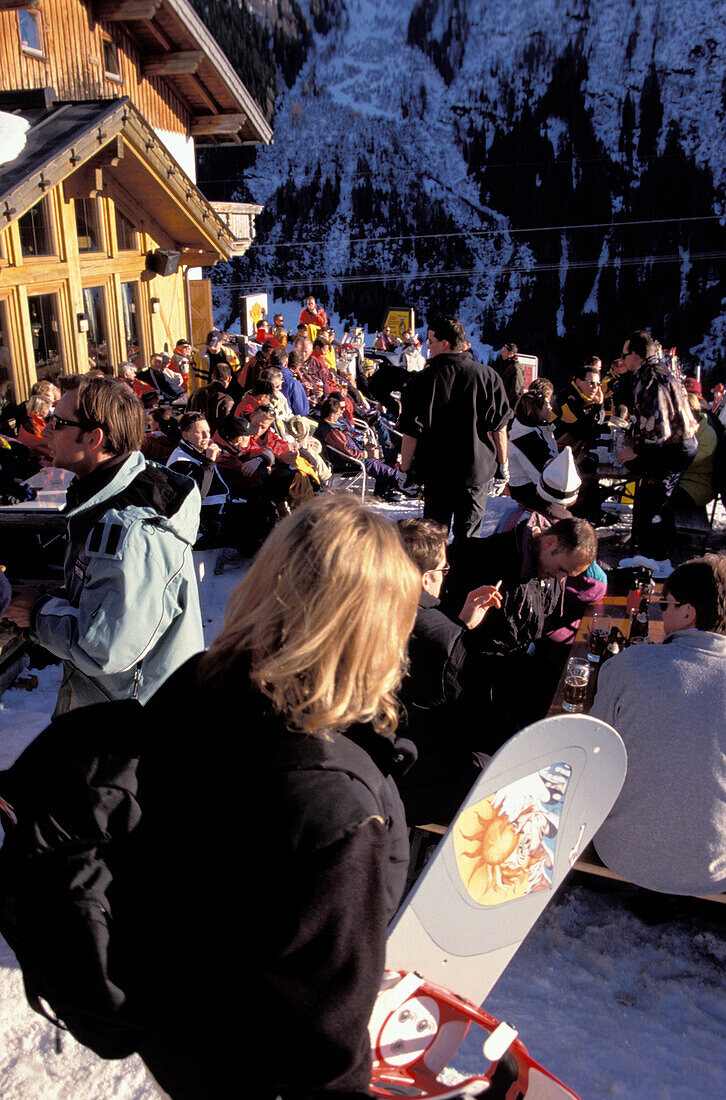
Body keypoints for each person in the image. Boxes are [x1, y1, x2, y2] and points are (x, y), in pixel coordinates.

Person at [132, 495, 419, 1098]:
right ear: (379, 626)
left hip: (176, 1024)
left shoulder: (196, 684)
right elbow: (328, 1062)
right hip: (253, 1063)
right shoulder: (335, 804)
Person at [4, 376, 203, 714]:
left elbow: (107, 646)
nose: (46, 432)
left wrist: (35, 614)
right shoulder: (110, 493)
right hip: (120, 713)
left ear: (94, 438)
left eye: (58, 422)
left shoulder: (131, 530)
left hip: (131, 730)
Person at [591, 555, 726, 897]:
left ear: (687, 613)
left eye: (664, 605)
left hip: (621, 850)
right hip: (715, 869)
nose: (659, 614)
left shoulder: (629, 666)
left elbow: (592, 749)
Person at [396, 518, 503, 824]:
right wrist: (456, 634)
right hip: (405, 779)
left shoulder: (355, 608)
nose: (445, 575)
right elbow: (470, 720)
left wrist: (459, 626)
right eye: (443, 570)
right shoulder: (444, 639)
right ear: (424, 578)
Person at [399, 315, 511, 538]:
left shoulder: (421, 381)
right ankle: (463, 572)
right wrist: (502, 465)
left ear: (445, 343)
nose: (427, 347)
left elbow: (411, 433)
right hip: (475, 473)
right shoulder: (488, 376)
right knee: (469, 539)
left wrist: (404, 470)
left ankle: (436, 572)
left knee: (433, 539)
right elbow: (500, 428)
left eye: (430, 341)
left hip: (435, 474)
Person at [616, 329, 698, 559]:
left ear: (636, 355)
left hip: (673, 449)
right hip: (684, 445)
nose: (622, 360)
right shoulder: (662, 369)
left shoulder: (648, 378)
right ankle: (655, 550)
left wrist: (635, 451)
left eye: (624, 354)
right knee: (653, 498)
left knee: (653, 502)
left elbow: (658, 430)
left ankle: (654, 559)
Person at [507, 379, 558, 508]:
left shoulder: (538, 429)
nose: (551, 407)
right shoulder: (527, 438)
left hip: (536, 493)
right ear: (537, 410)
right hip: (531, 497)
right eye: (547, 404)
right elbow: (541, 476)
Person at [186, 361, 235, 432]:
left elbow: (187, 417)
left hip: (193, 435)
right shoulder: (227, 400)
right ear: (229, 378)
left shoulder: (195, 392)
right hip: (212, 439)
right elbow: (226, 426)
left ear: (212, 377)